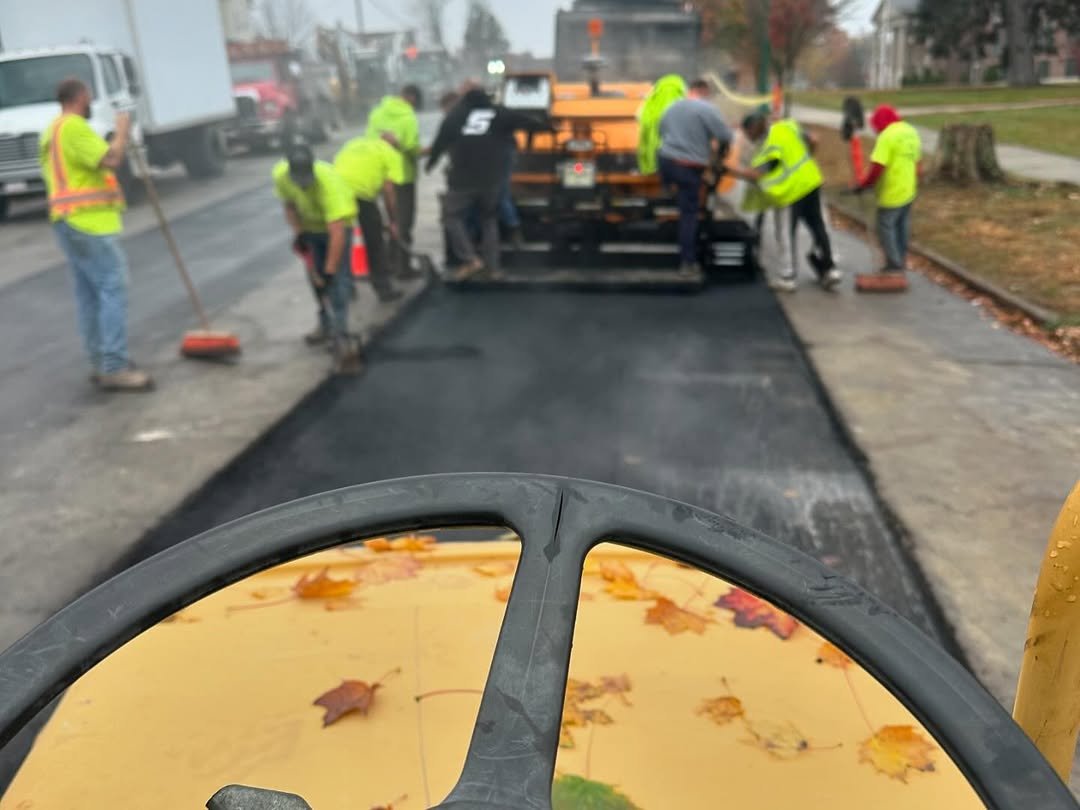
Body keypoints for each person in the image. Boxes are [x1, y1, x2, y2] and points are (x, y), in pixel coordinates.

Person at [40, 77, 153, 391]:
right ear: (81, 97)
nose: (90, 102)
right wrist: (122, 130)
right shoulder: (74, 128)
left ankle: (101, 361)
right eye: (89, 96)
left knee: (89, 294)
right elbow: (111, 159)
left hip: (66, 221)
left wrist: (116, 137)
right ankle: (114, 366)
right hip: (88, 222)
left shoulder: (51, 131)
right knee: (112, 287)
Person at [425, 84, 540, 279]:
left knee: (451, 217)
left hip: (463, 181)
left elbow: (440, 143)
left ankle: (471, 259)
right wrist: (548, 128)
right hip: (491, 180)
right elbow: (529, 123)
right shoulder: (499, 113)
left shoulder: (455, 117)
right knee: (489, 218)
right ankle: (493, 267)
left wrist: (430, 164)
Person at [727, 112, 841, 292]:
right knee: (817, 226)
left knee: (786, 234)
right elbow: (814, 139)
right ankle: (830, 269)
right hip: (810, 181)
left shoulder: (767, 147)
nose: (748, 137)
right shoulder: (787, 126)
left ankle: (787, 277)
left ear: (753, 128)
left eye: (747, 133)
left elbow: (756, 175)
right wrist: (807, 158)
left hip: (790, 192)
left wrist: (729, 170)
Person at [273, 144, 358, 351]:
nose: (303, 186)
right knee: (315, 281)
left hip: (337, 228)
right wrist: (298, 232)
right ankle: (325, 324)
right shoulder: (281, 175)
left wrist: (329, 271)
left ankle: (340, 332)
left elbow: (337, 232)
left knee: (337, 280)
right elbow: (289, 206)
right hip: (310, 228)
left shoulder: (329, 182)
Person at [657, 79, 732, 275]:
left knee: (676, 189)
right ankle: (688, 262)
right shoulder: (707, 109)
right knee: (689, 215)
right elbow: (725, 136)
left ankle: (667, 188)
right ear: (704, 91)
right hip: (688, 167)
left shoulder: (671, 108)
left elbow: (661, 132)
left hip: (666, 162)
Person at [334, 133, 406, 303]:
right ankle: (384, 289)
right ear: (394, 147)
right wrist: (393, 221)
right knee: (375, 244)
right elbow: (389, 191)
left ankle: (346, 288)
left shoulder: (354, 142)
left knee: (340, 242)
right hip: (361, 195)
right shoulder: (392, 155)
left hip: (336, 192)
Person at [856, 105, 923, 274]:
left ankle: (894, 264)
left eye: (875, 126)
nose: (875, 130)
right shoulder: (910, 131)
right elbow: (918, 163)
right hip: (909, 188)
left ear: (881, 122)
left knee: (885, 226)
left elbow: (878, 166)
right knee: (901, 225)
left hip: (892, 191)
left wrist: (866, 183)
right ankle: (901, 259)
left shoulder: (886, 136)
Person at [367, 85, 422, 279]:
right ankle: (403, 268)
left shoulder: (376, 113)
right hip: (403, 177)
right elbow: (412, 148)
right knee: (404, 223)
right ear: (412, 98)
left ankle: (390, 263)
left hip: (383, 174)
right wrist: (420, 151)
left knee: (392, 220)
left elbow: (370, 143)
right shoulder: (408, 117)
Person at [637, 74, 687, 175]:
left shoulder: (650, 103)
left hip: (654, 161)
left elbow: (642, 121)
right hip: (680, 162)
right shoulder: (684, 104)